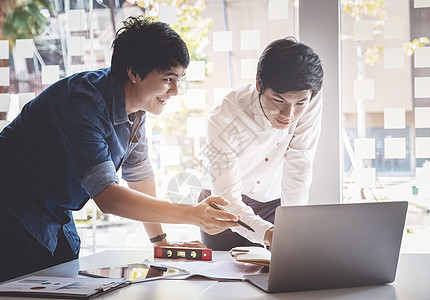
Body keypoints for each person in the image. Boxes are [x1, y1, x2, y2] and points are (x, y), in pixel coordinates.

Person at [0, 16, 239, 282]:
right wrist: (192, 215)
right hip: (11, 212)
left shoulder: (137, 106)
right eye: (168, 79)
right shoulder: (80, 103)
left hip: (53, 214)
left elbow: (139, 173)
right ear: (134, 72)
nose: (175, 91)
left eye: (179, 79)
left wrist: (161, 241)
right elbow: (109, 198)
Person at [199, 37, 324, 250]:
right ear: (259, 84)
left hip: (271, 202)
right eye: (279, 100)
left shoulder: (309, 99)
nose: (289, 114)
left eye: (299, 103)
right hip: (222, 202)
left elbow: (299, 165)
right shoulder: (226, 115)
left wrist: (294, 224)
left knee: (277, 274)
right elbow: (227, 196)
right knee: (223, 273)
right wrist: (266, 233)